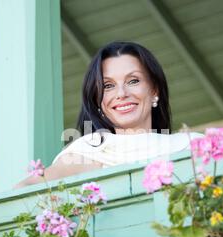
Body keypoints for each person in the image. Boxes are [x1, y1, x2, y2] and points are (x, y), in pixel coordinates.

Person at [14, 41, 202, 189]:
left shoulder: (189, 145)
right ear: (97, 100)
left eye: (133, 80)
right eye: (108, 86)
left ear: (154, 90)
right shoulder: (92, 151)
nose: (121, 93)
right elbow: (24, 188)